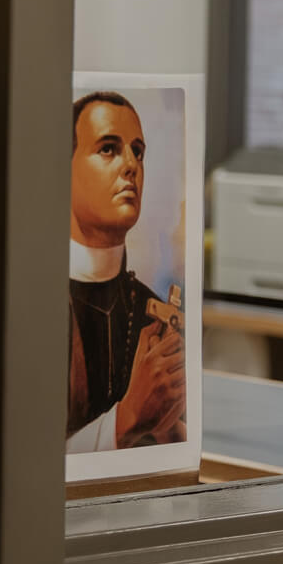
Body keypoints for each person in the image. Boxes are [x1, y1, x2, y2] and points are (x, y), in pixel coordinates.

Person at [66, 91, 187, 451]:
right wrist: (127, 419)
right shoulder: (25, 307)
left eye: (138, 150)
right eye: (108, 148)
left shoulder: (153, 312)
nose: (131, 164)